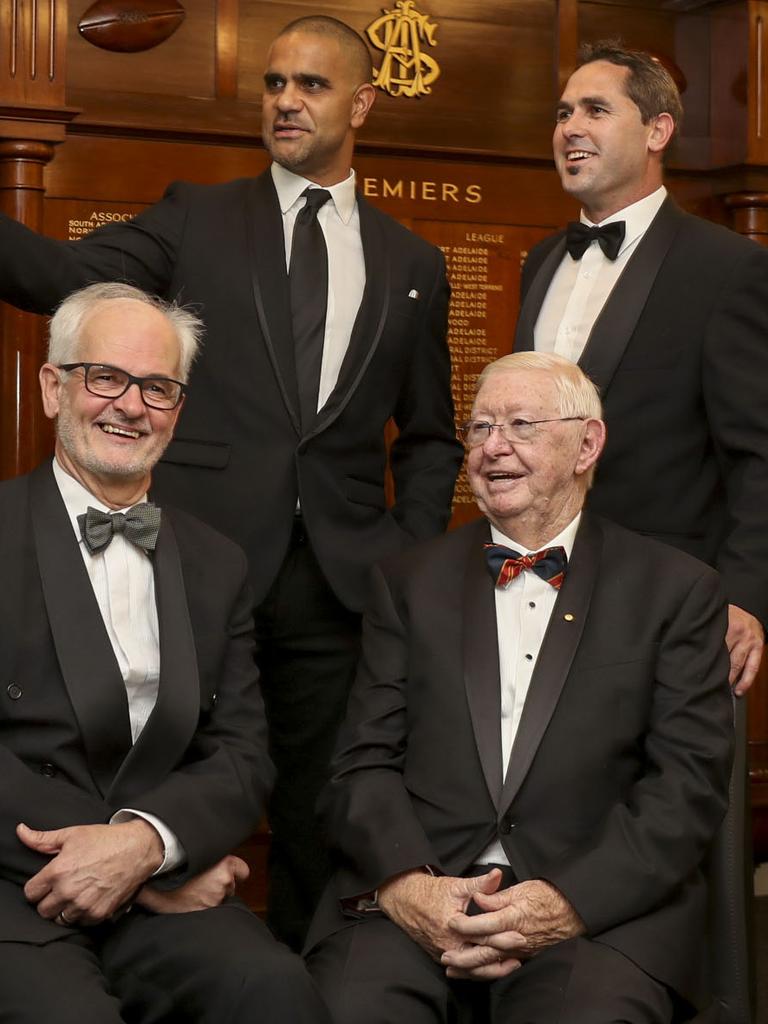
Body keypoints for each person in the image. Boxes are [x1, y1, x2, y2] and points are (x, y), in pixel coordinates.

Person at [0, 15, 462, 947]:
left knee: (317, 816)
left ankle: (304, 987)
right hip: (198, 569)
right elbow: (68, 276)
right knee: (161, 785)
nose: (286, 101)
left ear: (363, 103)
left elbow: (430, 437)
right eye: (274, 84)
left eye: (312, 86)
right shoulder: (196, 216)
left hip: (341, 588)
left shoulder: (413, 263)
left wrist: (404, 551)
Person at [305, 351, 734, 1024]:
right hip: (422, 893)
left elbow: (687, 786)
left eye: (521, 425)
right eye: (479, 428)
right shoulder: (407, 582)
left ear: (587, 444)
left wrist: (564, 900)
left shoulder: (676, 591)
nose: (493, 447)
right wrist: (409, 885)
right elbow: (363, 762)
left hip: (597, 911)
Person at [0, 282, 330, 1023]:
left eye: (157, 387)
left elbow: (245, 752)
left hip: (160, 873)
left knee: (277, 992)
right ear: (54, 388)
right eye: (106, 377)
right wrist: (126, 866)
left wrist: (148, 845)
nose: (130, 405)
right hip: (11, 878)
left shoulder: (218, 563)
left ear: (177, 413)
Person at [514, 41, 768, 695]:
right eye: (564, 112)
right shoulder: (540, 263)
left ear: (658, 130)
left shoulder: (726, 268)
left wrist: (746, 595)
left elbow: (758, 453)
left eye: (596, 110)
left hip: (668, 602)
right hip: (532, 594)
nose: (570, 127)